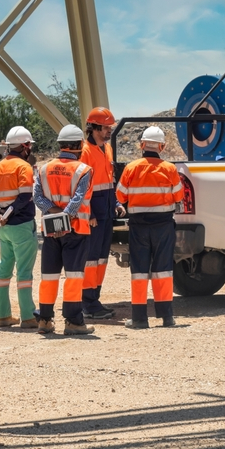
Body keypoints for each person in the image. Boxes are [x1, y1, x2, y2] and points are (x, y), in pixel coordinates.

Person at [115, 126, 184, 329]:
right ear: (161, 147)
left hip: (139, 227)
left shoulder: (131, 168)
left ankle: (139, 319)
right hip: (163, 226)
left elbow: (120, 197)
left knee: (139, 271)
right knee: (163, 270)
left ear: (142, 145)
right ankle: (167, 317)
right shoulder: (170, 169)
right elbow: (179, 196)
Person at [32, 124, 96, 336]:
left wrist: (55, 217)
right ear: (79, 145)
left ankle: (44, 320)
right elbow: (77, 200)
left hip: (50, 231)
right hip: (76, 230)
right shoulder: (84, 170)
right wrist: (65, 220)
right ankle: (73, 322)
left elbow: (38, 198)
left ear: (60, 145)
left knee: (49, 276)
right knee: (74, 276)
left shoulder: (43, 169)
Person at [0, 126, 39, 329]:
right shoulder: (23, 167)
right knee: (24, 271)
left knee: (4, 268)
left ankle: (4, 316)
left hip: (3, 228)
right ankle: (27, 316)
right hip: (22, 226)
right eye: (29, 146)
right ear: (25, 146)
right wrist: (10, 212)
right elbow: (25, 196)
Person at [79, 107, 126, 320]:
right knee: (91, 259)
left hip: (106, 210)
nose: (109, 131)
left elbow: (108, 180)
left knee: (101, 258)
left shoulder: (106, 149)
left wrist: (116, 201)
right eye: (106, 128)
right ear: (95, 128)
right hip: (94, 213)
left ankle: (94, 299)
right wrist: (87, 213)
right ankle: (87, 302)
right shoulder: (85, 151)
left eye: (109, 128)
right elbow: (81, 186)